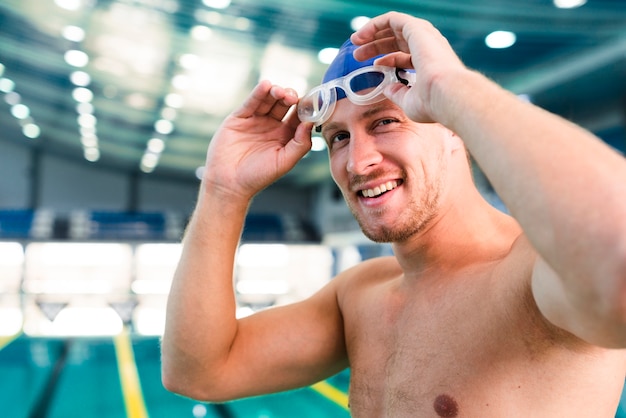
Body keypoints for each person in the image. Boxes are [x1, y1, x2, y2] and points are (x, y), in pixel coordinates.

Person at [161, 11, 626, 417]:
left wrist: (448, 86)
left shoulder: (531, 279)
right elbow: (199, 370)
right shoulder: (361, 296)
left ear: (453, 129)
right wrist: (223, 190)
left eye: (384, 122)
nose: (358, 161)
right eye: (338, 137)